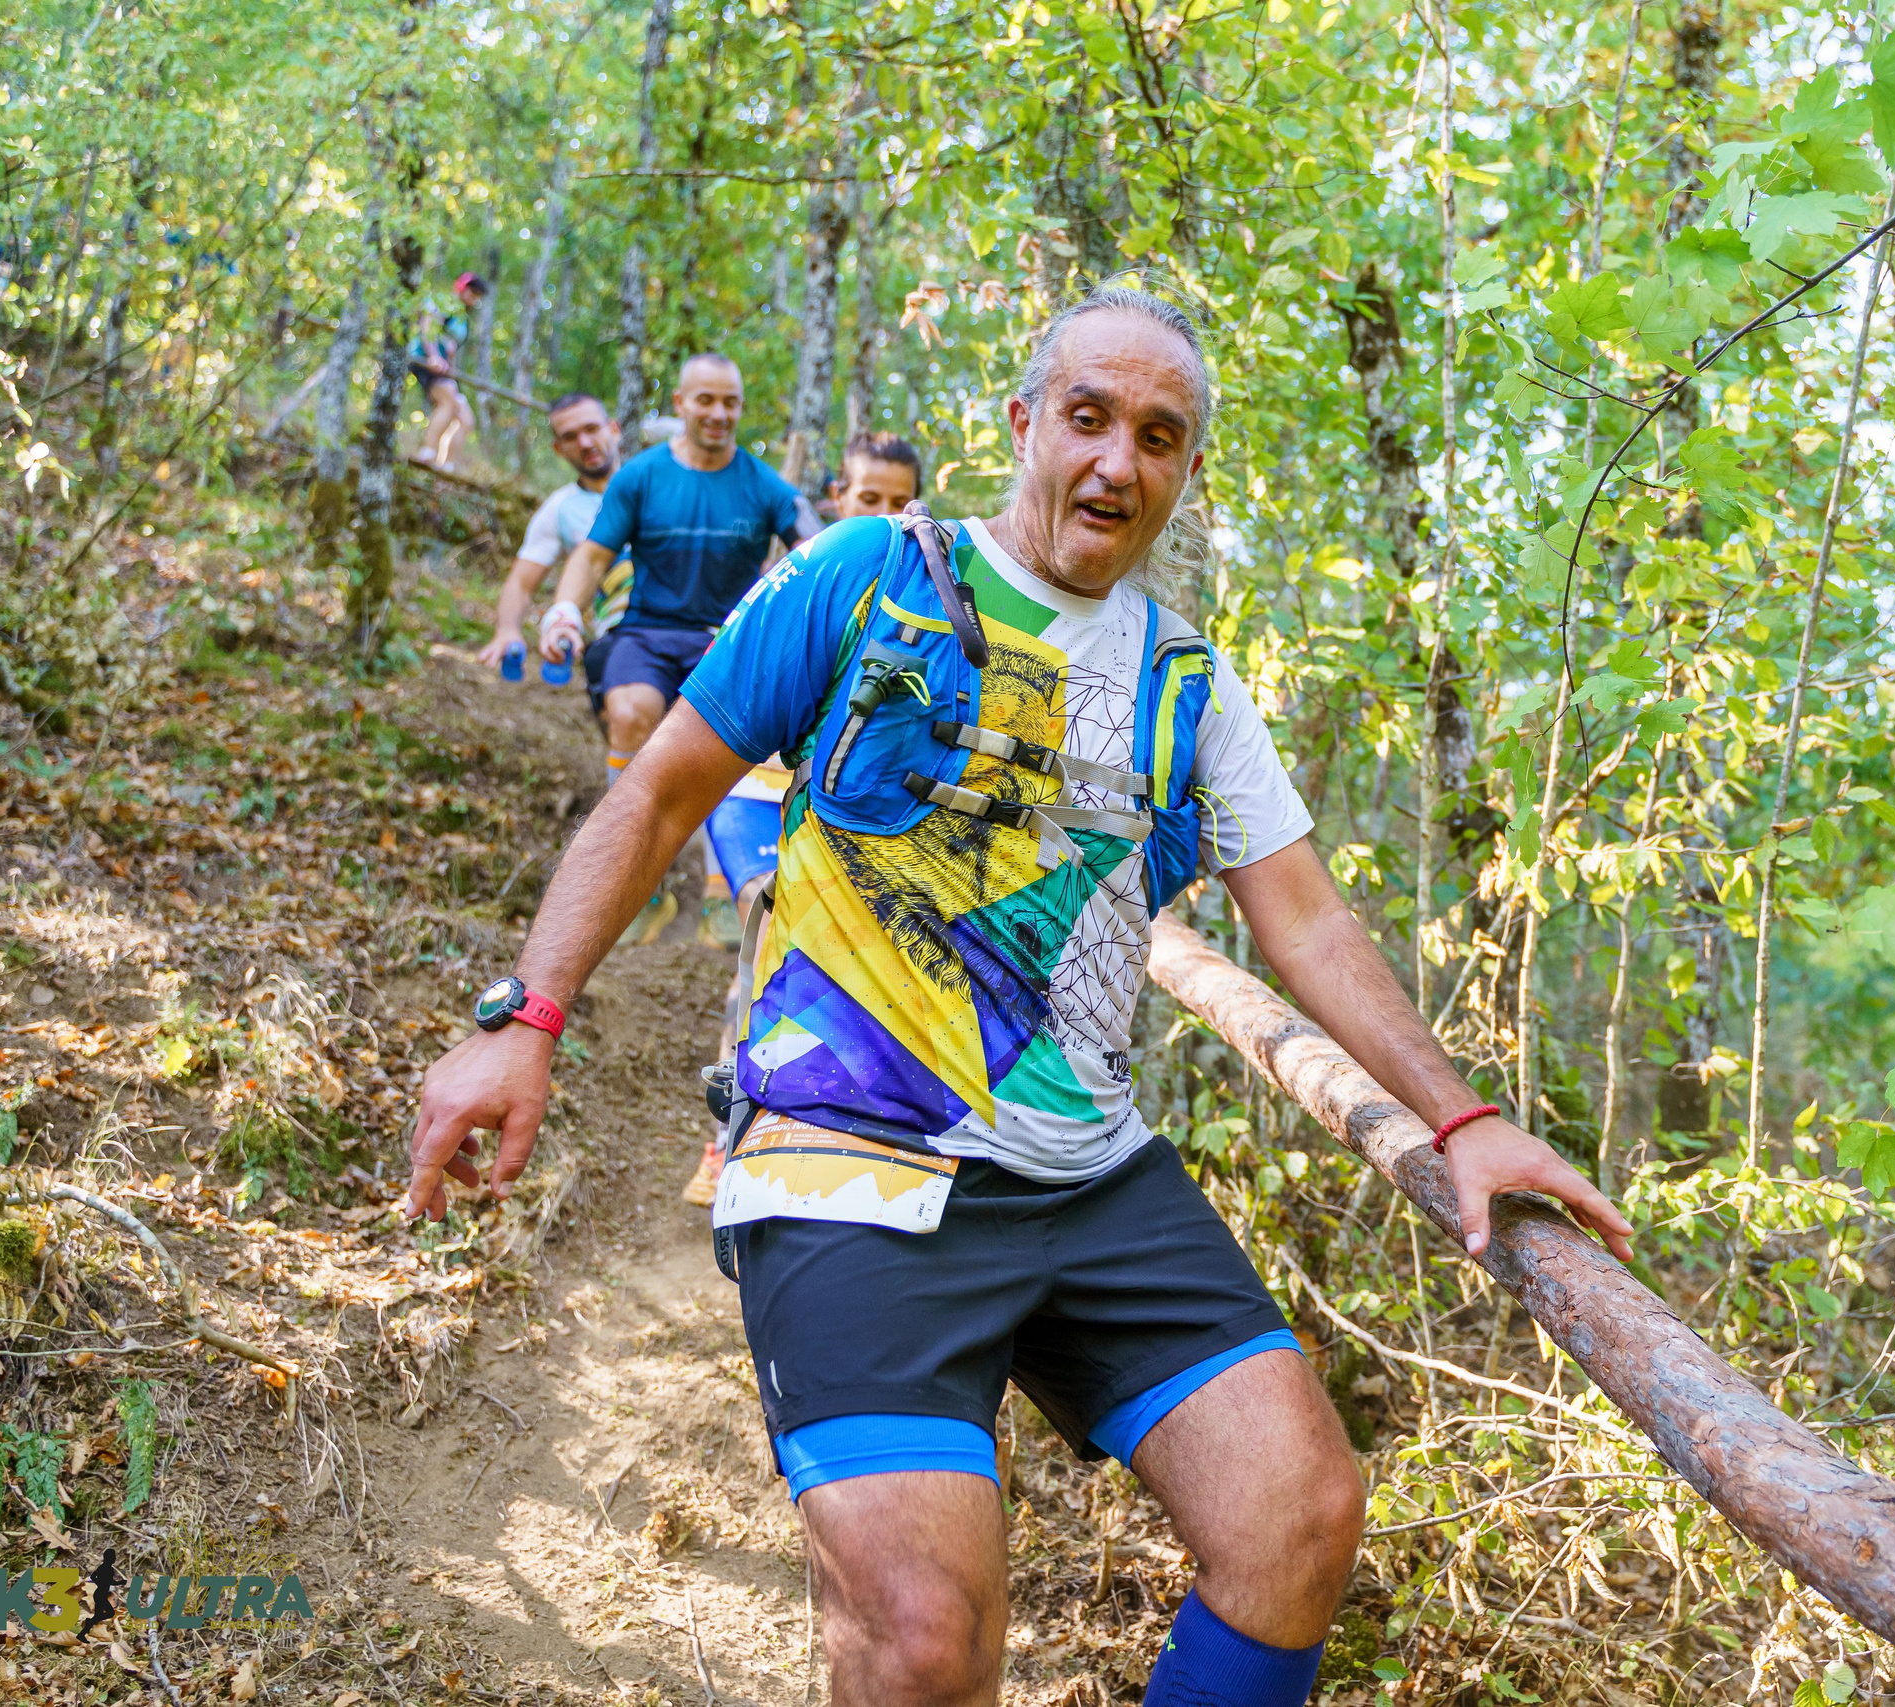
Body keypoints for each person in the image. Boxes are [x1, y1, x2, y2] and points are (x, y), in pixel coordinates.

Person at [406, 285, 1635, 1707]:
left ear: (1183, 472)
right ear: (1026, 423)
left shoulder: (1188, 681)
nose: (1118, 460)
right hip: (847, 1158)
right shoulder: (869, 571)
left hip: (1086, 1169)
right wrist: (525, 1015)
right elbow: (662, 794)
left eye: (1159, 436)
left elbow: (1307, 917)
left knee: (1298, 1512)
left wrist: (1463, 1113)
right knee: (925, 1639)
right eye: (1090, 416)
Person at [673, 426, 930, 1205]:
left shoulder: (932, 599)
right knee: (767, 937)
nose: (883, 511)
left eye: (898, 500)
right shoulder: (801, 579)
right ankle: (725, 1137)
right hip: (755, 799)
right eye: (866, 498)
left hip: (847, 825)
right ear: (836, 501)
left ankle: (827, 1132)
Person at [537, 353, 820, 947]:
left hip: (729, 636)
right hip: (646, 630)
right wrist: (564, 608)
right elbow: (591, 555)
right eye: (706, 400)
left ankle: (723, 892)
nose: (719, 414)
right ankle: (643, 884)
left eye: (730, 402)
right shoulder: (639, 476)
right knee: (630, 712)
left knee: (729, 744)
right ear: (682, 404)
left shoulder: (763, 484)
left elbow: (815, 548)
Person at [475, 393, 622, 678]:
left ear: (613, 429)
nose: (585, 443)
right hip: (618, 638)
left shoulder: (657, 483)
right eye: (571, 437)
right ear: (558, 449)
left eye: (592, 429)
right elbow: (521, 581)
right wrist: (507, 629)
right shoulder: (560, 508)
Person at [408, 273, 490, 470]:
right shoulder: (442, 302)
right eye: (472, 292)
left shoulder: (463, 317)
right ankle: (427, 453)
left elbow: (452, 347)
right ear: (462, 287)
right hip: (423, 360)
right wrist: (433, 355)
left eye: (478, 295)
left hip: (444, 370)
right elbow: (427, 325)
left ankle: (447, 465)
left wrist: (450, 367)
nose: (474, 298)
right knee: (448, 401)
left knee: (466, 419)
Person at [824, 429, 923, 519]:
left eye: (900, 504)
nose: (885, 514)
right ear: (838, 497)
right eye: (870, 500)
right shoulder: (819, 539)